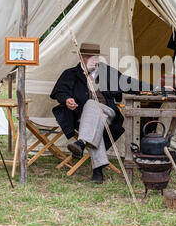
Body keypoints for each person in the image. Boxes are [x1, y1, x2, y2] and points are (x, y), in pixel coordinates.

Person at [50, 43, 152, 184]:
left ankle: (81, 142)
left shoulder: (107, 72)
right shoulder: (70, 74)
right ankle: (97, 169)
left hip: (108, 114)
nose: (95, 61)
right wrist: (67, 100)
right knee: (94, 120)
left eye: (96, 57)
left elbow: (129, 83)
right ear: (81, 58)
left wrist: (155, 87)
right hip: (81, 118)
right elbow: (60, 92)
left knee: (92, 105)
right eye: (90, 57)